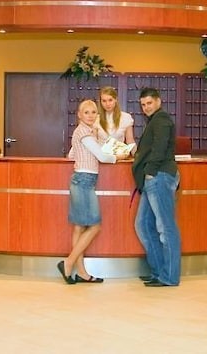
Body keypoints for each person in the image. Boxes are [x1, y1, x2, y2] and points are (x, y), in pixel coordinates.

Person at [57, 99, 127, 284]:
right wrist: (119, 157)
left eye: (93, 112)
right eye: (86, 112)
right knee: (94, 226)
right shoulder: (83, 132)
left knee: (79, 227)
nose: (90, 115)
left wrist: (94, 138)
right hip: (84, 182)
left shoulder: (84, 132)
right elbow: (102, 156)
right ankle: (68, 263)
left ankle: (82, 273)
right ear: (79, 115)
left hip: (81, 181)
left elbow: (72, 155)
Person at [131, 87, 181, 287]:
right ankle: (159, 271)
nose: (146, 107)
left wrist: (150, 171)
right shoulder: (155, 120)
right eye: (143, 104)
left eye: (149, 103)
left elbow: (160, 147)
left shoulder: (161, 120)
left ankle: (169, 276)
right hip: (153, 178)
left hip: (159, 176)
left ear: (158, 101)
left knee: (166, 227)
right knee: (143, 224)